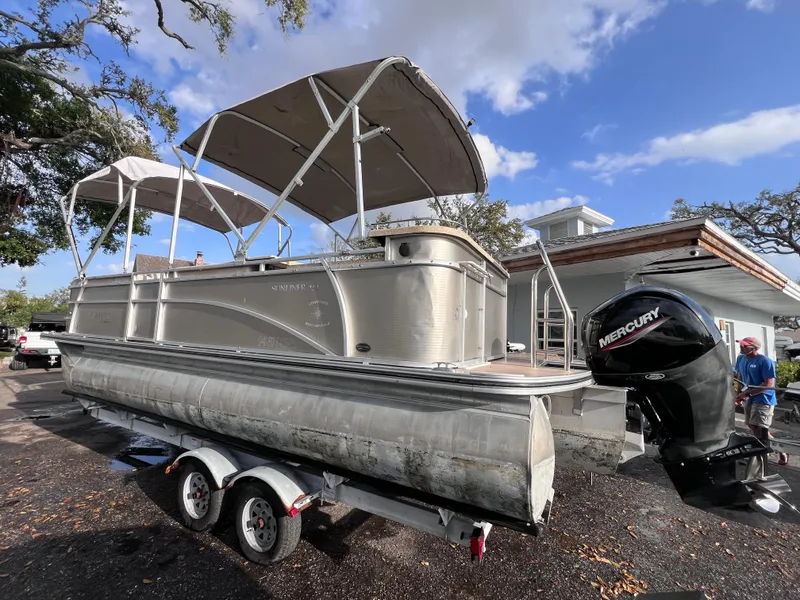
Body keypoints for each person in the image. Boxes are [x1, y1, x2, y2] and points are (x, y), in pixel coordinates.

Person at [734, 337, 789, 466]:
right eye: (741, 345)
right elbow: (740, 378)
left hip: (764, 398)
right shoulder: (741, 359)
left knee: (760, 427)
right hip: (749, 397)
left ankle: (762, 455)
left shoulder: (765, 361)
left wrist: (746, 394)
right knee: (752, 425)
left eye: (745, 346)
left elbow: (769, 384)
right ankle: (776, 450)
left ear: (754, 348)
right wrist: (738, 396)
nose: (741, 348)